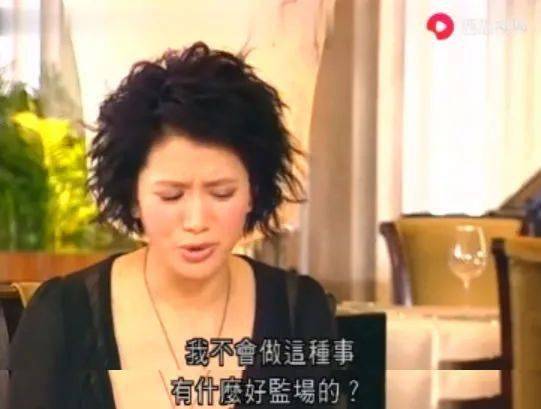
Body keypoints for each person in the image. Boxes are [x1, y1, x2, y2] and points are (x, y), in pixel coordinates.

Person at [7, 42, 339, 409]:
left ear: (253, 192)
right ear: (134, 197)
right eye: (171, 196)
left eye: (222, 193)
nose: (196, 222)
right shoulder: (63, 316)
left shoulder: (298, 311)